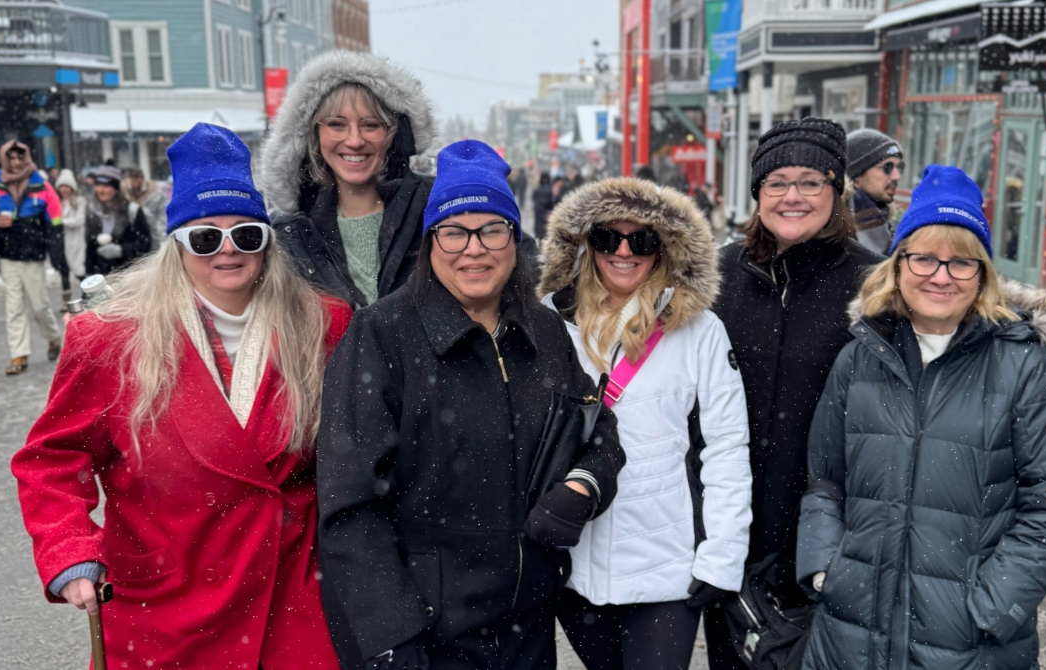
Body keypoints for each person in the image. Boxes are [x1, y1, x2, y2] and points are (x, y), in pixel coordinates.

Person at [12, 123, 351, 669]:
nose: (227, 251)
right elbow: (53, 460)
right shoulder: (110, 338)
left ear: (267, 242)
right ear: (176, 244)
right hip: (168, 606)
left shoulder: (323, 325)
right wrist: (72, 550)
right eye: (204, 237)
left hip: (292, 597)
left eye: (247, 235)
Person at [316, 140, 625, 670]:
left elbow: (598, 431)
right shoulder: (383, 335)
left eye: (492, 229)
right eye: (454, 230)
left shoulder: (544, 331)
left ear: (514, 238)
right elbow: (350, 506)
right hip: (428, 638)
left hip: (527, 629)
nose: (474, 248)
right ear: (431, 242)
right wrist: (392, 640)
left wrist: (583, 488)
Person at [795, 165, 1046, 670]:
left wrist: (992, 607)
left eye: (962, 262)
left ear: (983, 276)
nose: (940, 275)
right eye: (924, 257)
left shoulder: (1027, 368)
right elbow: (825, 482)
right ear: (897, 264)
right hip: (851, 634)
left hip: (969, 645)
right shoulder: (859, 358)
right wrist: (827, 570)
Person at [538, 177, 752, 670]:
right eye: (608, 237)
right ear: (587, 244)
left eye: (643, 239)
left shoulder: (699, 329)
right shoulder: (549, 320)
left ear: (665, 249)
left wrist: (721, 555)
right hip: (574, 563)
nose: (624, 251)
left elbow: (726, 446)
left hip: (665, 568)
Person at [705, 118, 881, 669]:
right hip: (731, 523)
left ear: (837, 190)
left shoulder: (873, 282)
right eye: (777, 181)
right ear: (757, 193)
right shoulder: (718, 273)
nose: (793, 196)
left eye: (811, 180)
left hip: (827, 526)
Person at [258, 50, 438, 309]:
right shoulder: (290, 236)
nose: (354, 141)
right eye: (337, 124)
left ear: (394, 135)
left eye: (370, 125)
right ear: (313, 135)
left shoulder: (434, 211)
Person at [0, 140, 67, 375]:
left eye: (19, 157)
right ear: (3, 159)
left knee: (40, 306)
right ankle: (19, 355)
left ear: (27, 157)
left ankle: (53, 337)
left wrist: (57, 255)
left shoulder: (41, 185)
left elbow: (55, 221)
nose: (15, 162)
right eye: (11, 157)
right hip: (7, 254)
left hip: (33, 254)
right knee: (13, 306)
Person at [85, 164, 153, 275]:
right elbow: (90, 246)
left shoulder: (132, 211)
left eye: (106, 186)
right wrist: (88, 275)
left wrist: (121, 250)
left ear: (115, 188)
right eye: (98, 185)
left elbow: (145, 244)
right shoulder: (93, 211)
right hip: (101, 276)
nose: (100, 190)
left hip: (127, 275)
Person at [845, 128, 903, 255]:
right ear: (856, 178)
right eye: (887, 167)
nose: (897, 176)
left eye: (899, 167)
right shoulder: (838, 232)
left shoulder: (883, 219)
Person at [123, 166, 169, 249]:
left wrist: (160, 240)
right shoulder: (125, 195)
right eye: (132, 178)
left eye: (137, 177)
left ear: (142, 178)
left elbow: (162, 219)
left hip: (152, 236)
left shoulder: (156, 195)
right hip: (133, 240)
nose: (135, 181)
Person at [55, 169, 87, 281]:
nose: (64, 189)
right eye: (62, 186)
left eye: (67, 186)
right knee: (63, 268)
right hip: (60, 240)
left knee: (78, 269)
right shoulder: (55, 202)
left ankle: (86, 293)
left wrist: (60, 221)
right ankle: (66, 294)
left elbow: (79, 220)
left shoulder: (79, 201)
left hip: (75, 240)